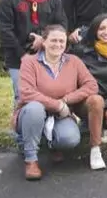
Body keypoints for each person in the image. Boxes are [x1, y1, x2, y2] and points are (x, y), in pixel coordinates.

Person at [13, 25, 102, 180]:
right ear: (44, 42)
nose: (58, 44)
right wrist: (57, 105)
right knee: (35, 108)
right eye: (53, 40)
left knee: (70, 139)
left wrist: (66, 100)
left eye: (62, 41)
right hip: (32, 113)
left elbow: (92, 85)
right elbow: (26, 93)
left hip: (60, 115)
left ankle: (50, 144)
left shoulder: (73, 61)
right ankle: (31, 159)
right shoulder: (29, 62)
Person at [0, 0, 67, 104]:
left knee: (49, 96)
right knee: (23, 97)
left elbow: (61, 25)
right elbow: (5, 31)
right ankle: (20, 126)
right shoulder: (8, 0)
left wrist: (43, 39)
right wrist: (23, 55)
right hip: (17, 58)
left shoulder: (53, 0)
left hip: (46, 56)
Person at [71, 13, 107, 149]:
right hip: (88, 97)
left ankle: (103, 124)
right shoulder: (81, 50)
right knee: (95, 103)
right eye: (102, 28)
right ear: (94, 30)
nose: (106, 32)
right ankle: (91, 131)